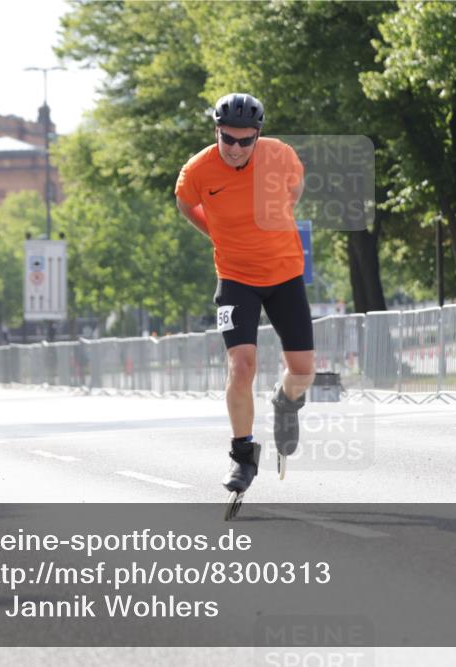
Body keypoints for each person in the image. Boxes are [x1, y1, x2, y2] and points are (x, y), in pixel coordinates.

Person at [175, 92, 315, 501]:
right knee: (241, 365)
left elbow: (295, 191)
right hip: (235, 278)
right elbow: (186, 206)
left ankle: (285, 402)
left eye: (245, 140)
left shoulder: (281, 157)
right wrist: (219, 235)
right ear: (216, 132)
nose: (235, 148)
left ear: (258, 135)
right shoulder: (197, 171)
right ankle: (242, 454)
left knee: (303, 371)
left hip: (285, 274)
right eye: (227, 139)